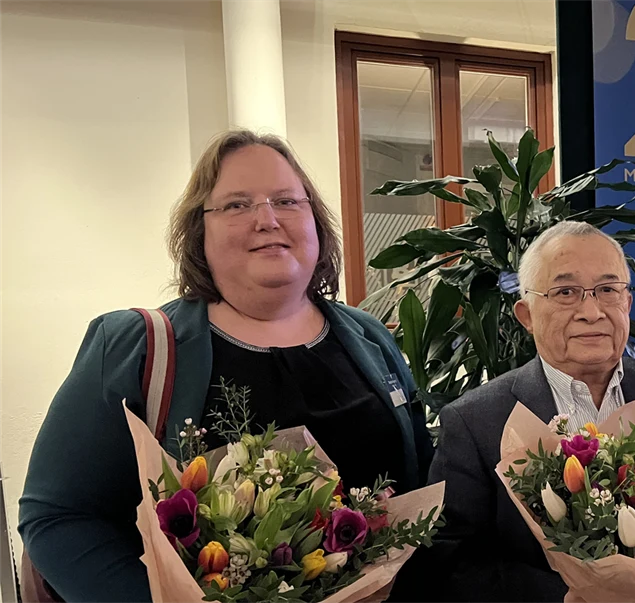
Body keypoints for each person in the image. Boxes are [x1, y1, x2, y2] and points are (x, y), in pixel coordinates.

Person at [18, 130, 433, 602]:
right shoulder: (134, 347)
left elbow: (418, 487)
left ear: (314, 221)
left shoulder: (369, 337)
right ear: (200, 230)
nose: (267, 219)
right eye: (237, 205)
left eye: (287, 201)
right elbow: (58, 518)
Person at [396, 221, 635, 603]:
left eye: (608, 290)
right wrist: (572, 596)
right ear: (526, 315)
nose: (591, 312)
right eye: (566, 292)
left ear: (627, 302)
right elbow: (448, 564)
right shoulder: (476, 421)